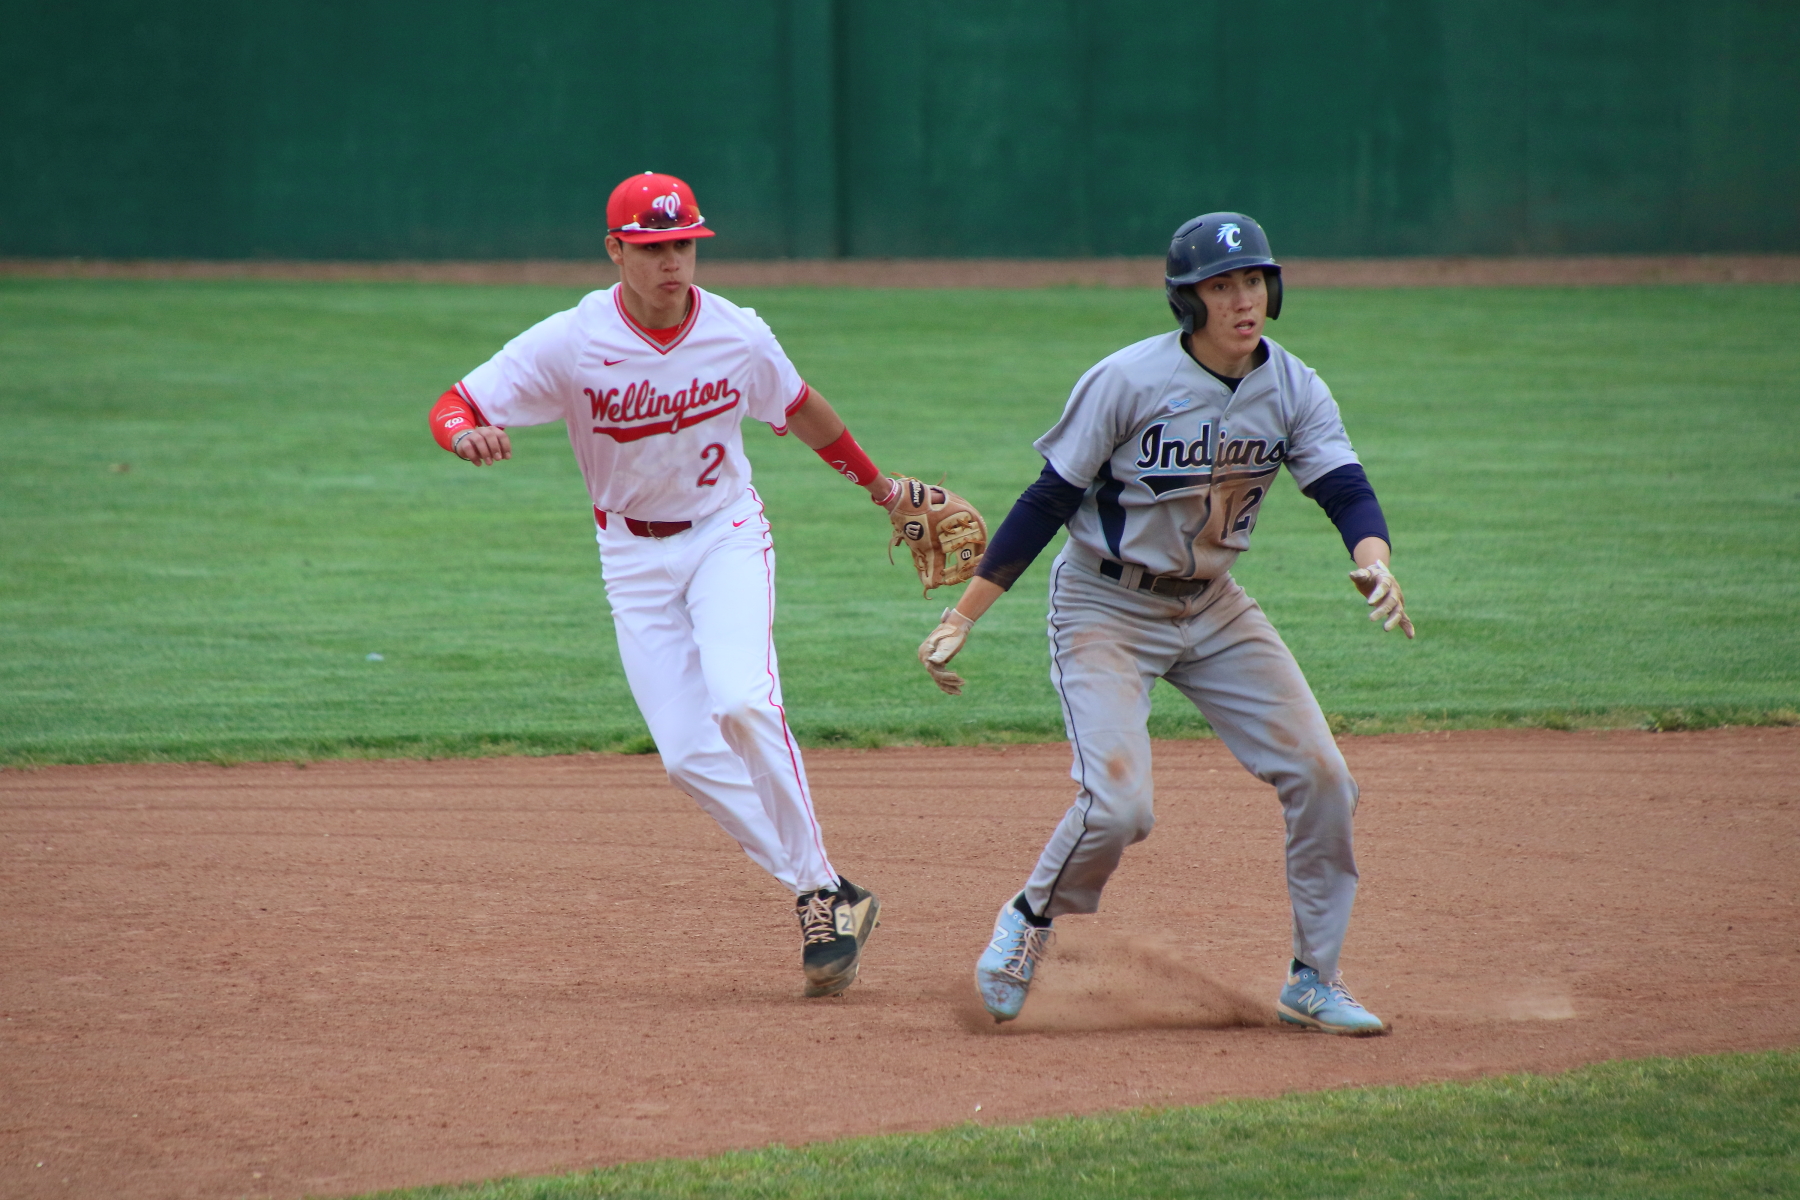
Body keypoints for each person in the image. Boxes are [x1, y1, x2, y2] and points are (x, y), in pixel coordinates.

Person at [919, 213, 1413, 1034]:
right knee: (1119, 809)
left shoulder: (1293, 387)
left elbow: (1344, 486)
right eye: (1221, 287)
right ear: (1189, 302)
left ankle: (1313, 979)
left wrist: (1377, 558)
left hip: (1215, 608)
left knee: (1325, 778)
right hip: (1104, 606)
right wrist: (964, 613)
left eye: (1252, 281)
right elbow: (1048, 499)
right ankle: (1029, 920)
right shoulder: (1126, 380)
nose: (1242, 301)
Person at [428, 172, 899, 998]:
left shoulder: (737, 334)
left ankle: (818, 898)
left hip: (726, 537)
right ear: (616, 251)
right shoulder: (571, 341)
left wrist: (883, 491)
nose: (672, 262)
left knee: (744, 701)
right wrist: (463, 436)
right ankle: (826, 887)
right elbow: (456, 402)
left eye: (683, 244)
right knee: (686, 756)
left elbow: (803, 409)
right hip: (632, 562)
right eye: (652, 247)